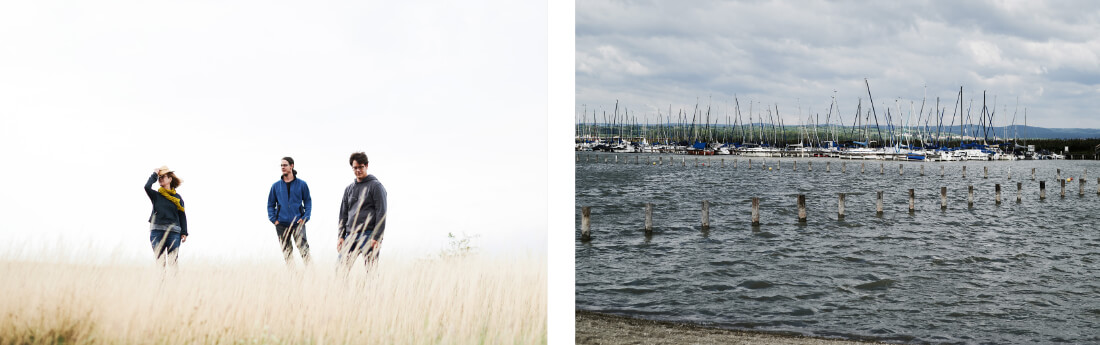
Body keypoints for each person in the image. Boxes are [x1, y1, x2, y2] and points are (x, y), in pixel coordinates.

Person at [338, 151, 387, 271]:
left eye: (361, 167)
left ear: (367, 166)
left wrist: (377, 236)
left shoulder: (376, 186)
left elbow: (381, 212)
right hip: (350, 235)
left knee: (371, 271)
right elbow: (343, 214)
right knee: (340, 269)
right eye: (355, 167)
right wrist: (341, 236)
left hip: (369, 235)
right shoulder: (349, 189)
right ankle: (343, 290)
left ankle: (373, 290)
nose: (358, 170)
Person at [267, 157, 313, 265]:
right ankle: (293, 277)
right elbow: (270, 204)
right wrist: (274, 220)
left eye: (285, 165)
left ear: (291, 166)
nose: (283, 167)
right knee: (287, 253)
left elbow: (308, 202)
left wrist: (305, 217)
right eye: (281, 165)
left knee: (304, 250)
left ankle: (312, 274)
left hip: (298, 223)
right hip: (281, 224)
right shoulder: (275, 186)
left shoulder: (302, 184)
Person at [144, 166, 187, 269]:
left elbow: (182, 215)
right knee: (160, 262)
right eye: (159, 177)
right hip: (157, 232)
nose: (160, 179)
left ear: (170, 179)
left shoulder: (178, 198)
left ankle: (173, 284)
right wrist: (154, 174)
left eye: (163, 176)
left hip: (173, 233)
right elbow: (147, 187)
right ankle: (161, 284)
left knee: (173, 262)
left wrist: (184, 232)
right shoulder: (156, 195)